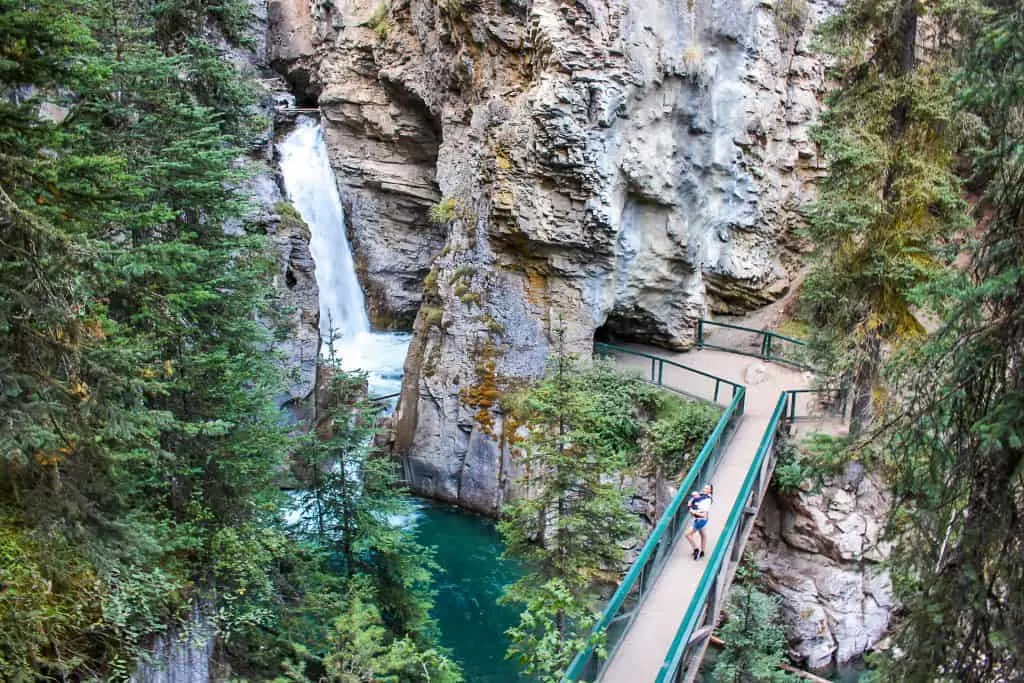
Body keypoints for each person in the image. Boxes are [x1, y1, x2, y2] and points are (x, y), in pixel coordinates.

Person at [685, 483, 713, 560]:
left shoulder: (707, 500)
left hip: (700, 520)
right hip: (701, 519)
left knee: (687, 534)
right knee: (703, 534)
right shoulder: (703, 496)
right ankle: (702, 552)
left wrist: (693, 512)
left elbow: (703, 514)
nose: (704, 490)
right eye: (704, 488)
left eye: (707, 489)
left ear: (710, 491)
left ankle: (696, 549)